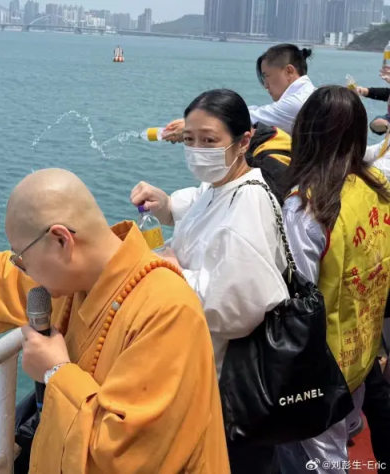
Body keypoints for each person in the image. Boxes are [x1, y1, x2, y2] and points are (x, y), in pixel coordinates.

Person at [0, 168, 230, 474]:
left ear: (61, 240)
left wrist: (55, 372)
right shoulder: (71, 280)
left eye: (21, 257)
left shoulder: (168, 311)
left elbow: (128, 458)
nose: (22, 268)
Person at [131, 89, 289, 473]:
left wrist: (174, 272)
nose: (197, 150)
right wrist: (165, 204)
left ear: (244, 141)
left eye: (209, 141)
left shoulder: (249, 205)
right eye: (189, 139)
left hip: (223, 384)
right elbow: (197, 210)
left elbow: (236, 309)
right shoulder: (221, 186)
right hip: (199, 367)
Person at [280, 86, 390, 473]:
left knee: (322, 459)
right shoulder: (377, 186)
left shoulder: (307, 206)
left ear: (305, 132)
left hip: (322, 365)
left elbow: (295, 296)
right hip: (362, 346)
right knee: (342, 436)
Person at [162, 44, 315, 142]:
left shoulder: (298, 103)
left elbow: (245, 119)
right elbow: (254, 113)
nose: (265, 85)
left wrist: (193, 127)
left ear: (289, 71)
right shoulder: (308, 96)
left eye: (267, 76)